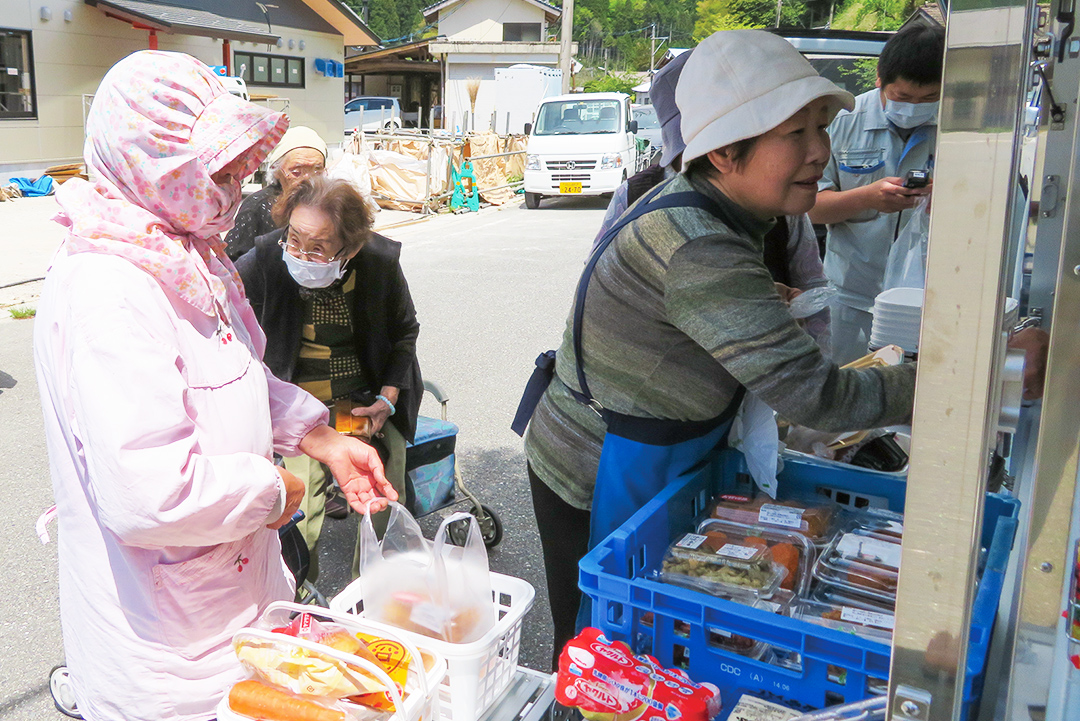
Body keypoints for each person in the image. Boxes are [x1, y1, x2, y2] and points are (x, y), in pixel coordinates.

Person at [520, 29, 921, 666]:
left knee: (637, 644)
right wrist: (946, 381)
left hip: (653, 450)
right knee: (599, 655)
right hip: (595, 468)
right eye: (796, 133)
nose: (820, 151)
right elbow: (817, 395)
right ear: (726, 153)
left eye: (822, 127)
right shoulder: (697, 243)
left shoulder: (717, 212)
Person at [33, 51, 395, 721]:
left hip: (228, 594)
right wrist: (274, 491)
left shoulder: (177, 249)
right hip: (167, 648)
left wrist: (318, 437)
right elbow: (149, 493)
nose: (234, 184)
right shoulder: (109, 287)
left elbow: (232, 375)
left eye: (237, 166)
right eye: (217, 168)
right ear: (153, 163)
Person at [237, 175, 422, 581]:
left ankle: (373, 595)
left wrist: (387, 398)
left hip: (358, 401)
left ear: (351, 247)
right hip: (293, 403)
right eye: (296, 238)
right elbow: (220, 302)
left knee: (383, 500)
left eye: (318, 247)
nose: (301, 253)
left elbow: (405, 330)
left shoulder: (378, 262)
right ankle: (299, 594)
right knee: (298, 511)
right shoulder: (268, 257)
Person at [592, 48, 831, 348]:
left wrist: (795, 319)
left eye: (821, 127)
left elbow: (811, 285)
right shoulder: (636, 196)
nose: (701, 171)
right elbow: (606, 291)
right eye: (692, 157)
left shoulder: (783, 200)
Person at [809, 24, 944, 363]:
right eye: (902, 97)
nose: (915, 107)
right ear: (879, 80)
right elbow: (812, 208)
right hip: (848, 295)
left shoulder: (959, 125)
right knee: (844, 384)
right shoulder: (841, 122)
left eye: (929, 98)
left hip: (926, 300)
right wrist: (867, 198)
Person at [225, 125, 327, 261]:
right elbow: (231, 261)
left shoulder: (330, 205)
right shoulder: (258, 206)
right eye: (296, 172)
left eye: (317, 171)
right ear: (277, 171)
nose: (308, 180)